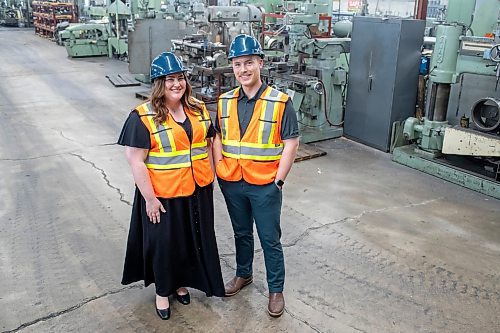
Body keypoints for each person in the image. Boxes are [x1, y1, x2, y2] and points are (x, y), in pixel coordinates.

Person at [118, 52, 225, 320]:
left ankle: (179, 283)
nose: (176, 84)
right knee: (165, 244)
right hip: (163, 194)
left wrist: (217, 172)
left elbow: (211, 141)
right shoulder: (143, 116)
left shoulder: (198, 108)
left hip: (197, 189)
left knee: (189, 241)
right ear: (158, 83)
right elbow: (135, 161)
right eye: (169, 80)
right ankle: (162, 292)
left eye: (180, 78)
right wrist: (150, 199)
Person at [213, 34, 300, 317]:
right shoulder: (225, 101)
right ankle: (243, 275)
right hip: (232, 182)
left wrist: (279, 179)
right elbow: (217, 137)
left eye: (248, 62)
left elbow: (291, 142)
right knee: (241, 233)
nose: (243, 70)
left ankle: (276, 290)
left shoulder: (280, 101)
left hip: (265, 184)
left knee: (269, 238)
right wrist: (219, 169)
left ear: (260, 63)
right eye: (237, 64)